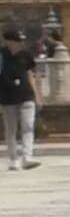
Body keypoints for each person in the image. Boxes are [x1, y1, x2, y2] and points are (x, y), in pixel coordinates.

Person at [0, 27, 34, 170]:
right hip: (7, 98)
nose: (20, 43)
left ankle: (27, 157)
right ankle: (13, 159)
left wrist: (37, 95)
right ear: (8, 41)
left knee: (28, 126)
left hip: (26, 95)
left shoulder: (26, 54)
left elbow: (30, 74)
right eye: (16, 41)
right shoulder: (1, 55)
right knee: (11, 130)